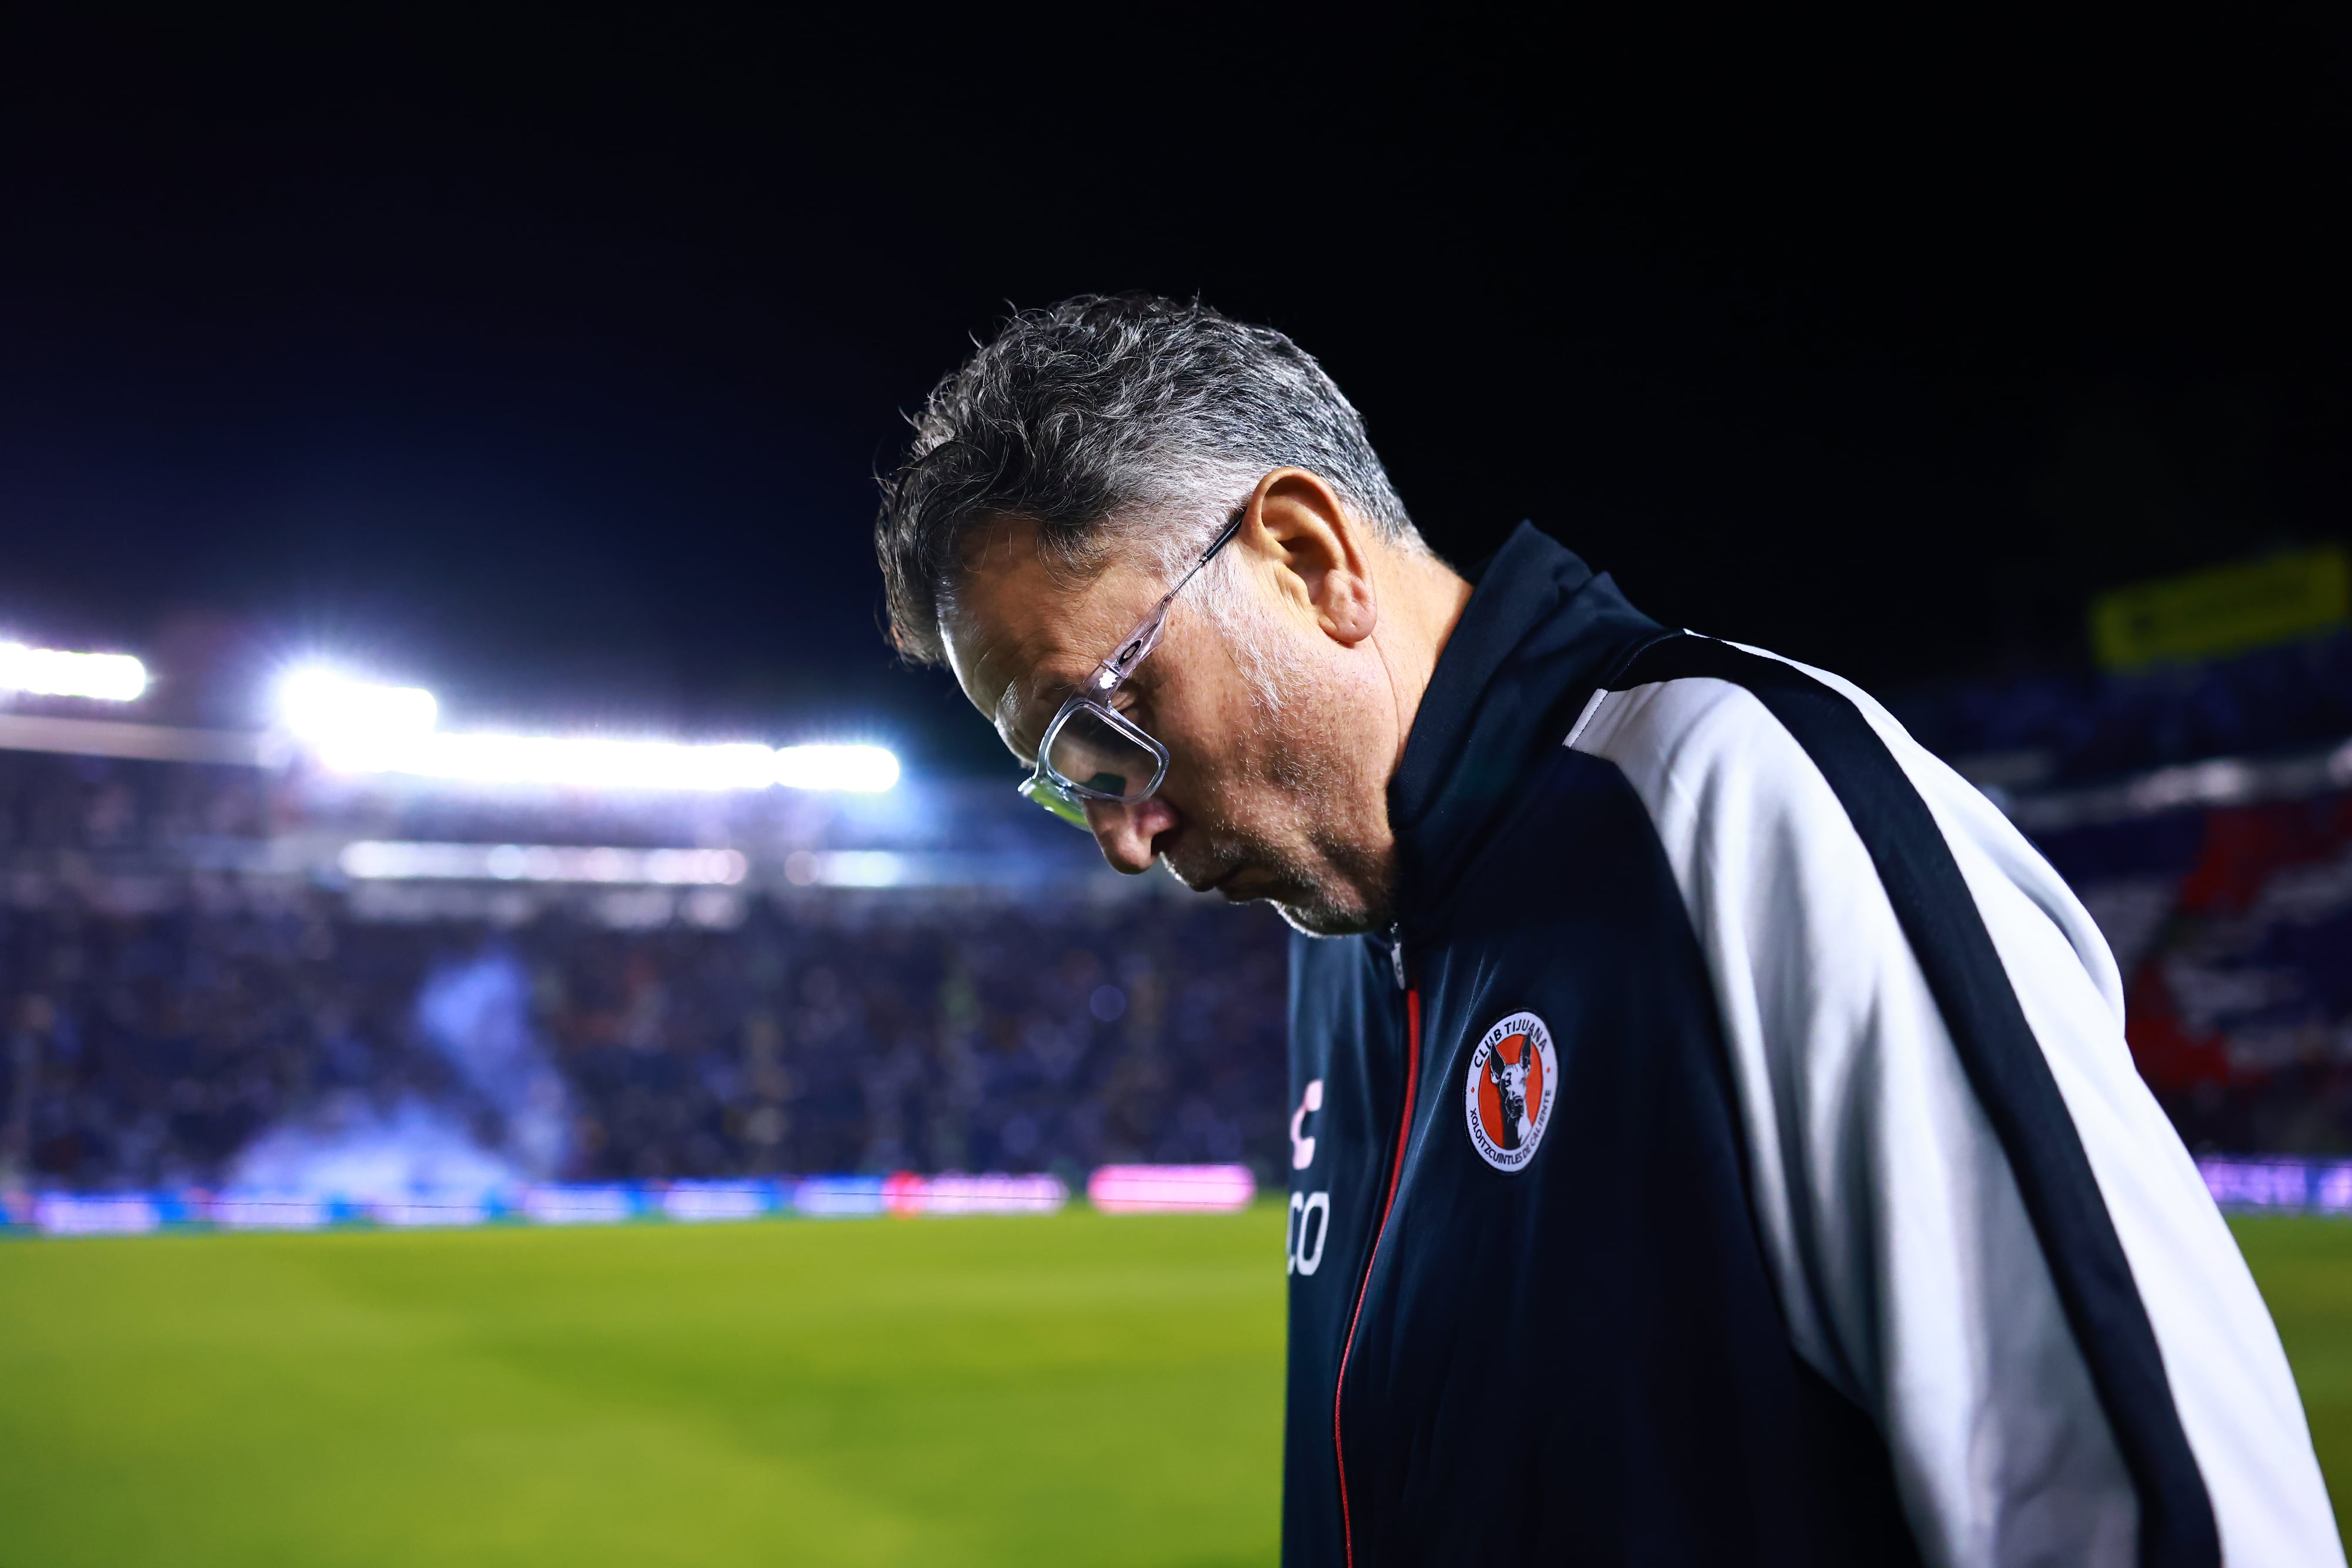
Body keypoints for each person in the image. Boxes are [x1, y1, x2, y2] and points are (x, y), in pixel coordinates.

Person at [873, 294, 2343, 1567]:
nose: (1123, 833)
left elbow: (2170, 1510)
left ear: (1307, 555)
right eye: (1066, 782)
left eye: (1105, 728)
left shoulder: (1734, 800)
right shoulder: (1341, 937)